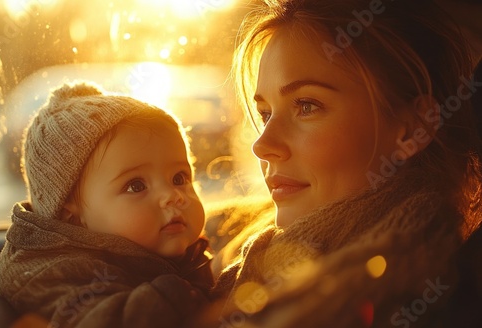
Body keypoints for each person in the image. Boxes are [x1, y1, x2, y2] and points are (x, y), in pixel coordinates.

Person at [203, 0, 482, 327]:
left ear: (411, 130)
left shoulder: (420, 301)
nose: (262, 145)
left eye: (306, 106)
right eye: (265, 114)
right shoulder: (214, 247)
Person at [0, 82, 213, 327]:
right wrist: (179, 295)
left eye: (179, 178)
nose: (174, 196)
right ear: (71, 214)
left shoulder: (161, 246)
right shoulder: (52, 272)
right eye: (136, 186)